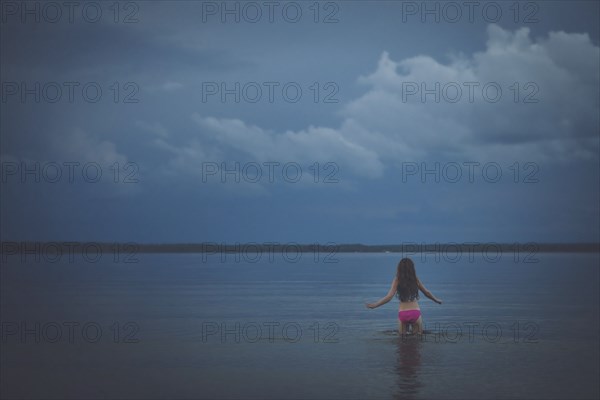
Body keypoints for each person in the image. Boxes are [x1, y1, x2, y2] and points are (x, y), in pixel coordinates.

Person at [366, 258, 442, 334]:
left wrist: (375, 305)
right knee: (417, 342)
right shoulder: (415, 279)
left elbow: (389, 297)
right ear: (412, 268)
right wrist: (436, 300)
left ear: (399, 268)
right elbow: (427, 293)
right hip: (415, 313)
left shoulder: (397, 280)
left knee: (402, 342)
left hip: (403, 313)